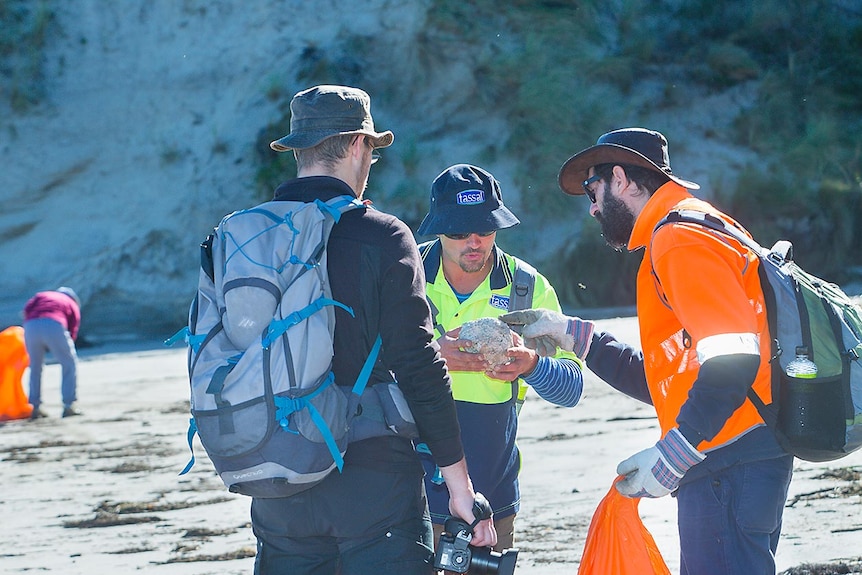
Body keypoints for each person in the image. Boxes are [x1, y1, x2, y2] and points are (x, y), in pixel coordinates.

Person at [500, 128, 793, 575]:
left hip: (726, 459)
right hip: (738, 453)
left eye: (591, 190)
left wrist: (678, 451)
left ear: (620, 179)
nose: (593, 208)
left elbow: (734, 358)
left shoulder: (678, 238)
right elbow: (668, 380)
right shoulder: (696, 225)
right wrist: (573, 335)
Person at [249, 85, 495, 575]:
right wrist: (460, 487)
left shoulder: (247, 236)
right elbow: (418, 363)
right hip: (372, 480)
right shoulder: (382, 235)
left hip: (277, 476)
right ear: (360, 145)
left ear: (298, 150)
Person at [415, 163, 584, 558]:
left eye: (485, 229)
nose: (474, 241)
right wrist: (430, 357)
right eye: (459, 231)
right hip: (408, 498)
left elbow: (573, 389)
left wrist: (532, 366)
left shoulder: (528, 288)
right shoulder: (406, 276)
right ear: (438, 228)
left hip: (493, 499)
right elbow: (357, 370)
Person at [23, 286, 82, 419]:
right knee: (69, 364)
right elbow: (73, 329)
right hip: (55, 323)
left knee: (35, 367)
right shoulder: (71, 303)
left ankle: (35, 407)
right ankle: (68, 405)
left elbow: (26, 310)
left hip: (31, 325)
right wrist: (61, 345)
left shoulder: (42, 295)